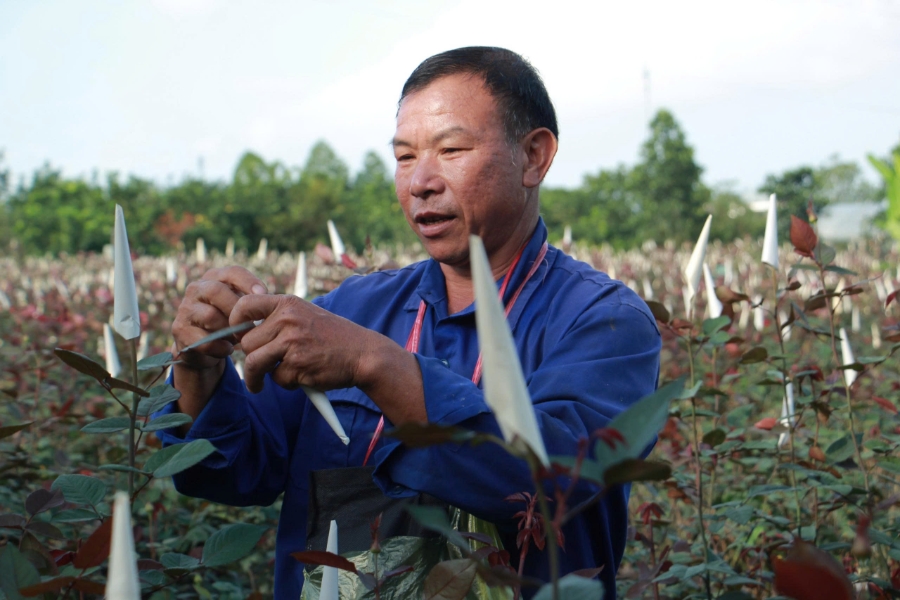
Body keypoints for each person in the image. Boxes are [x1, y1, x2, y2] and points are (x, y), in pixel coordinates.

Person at [156, 46, 661, 599]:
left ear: (534, 156)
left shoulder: (604, 324)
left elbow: (546, 486)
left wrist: (374, 365)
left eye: (451, 149)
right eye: (403, 157)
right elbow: (233, 471)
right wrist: (198, 369)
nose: (421, 181)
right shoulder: (350, 309)